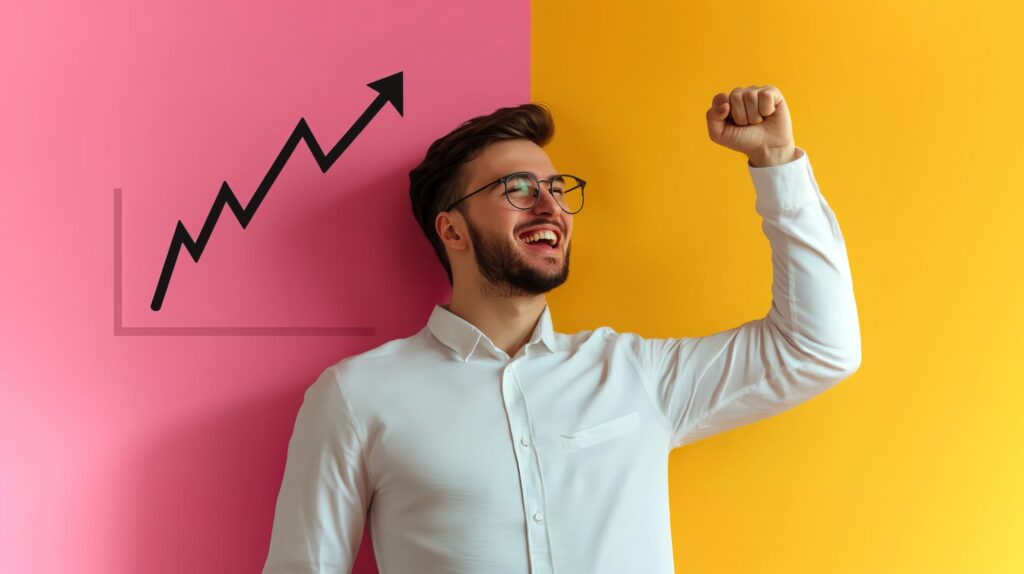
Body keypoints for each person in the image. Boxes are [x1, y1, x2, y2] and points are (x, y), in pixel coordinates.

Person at [261, 86, 862, 574]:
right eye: (518, 189)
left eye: (556, 188)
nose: (549, 205)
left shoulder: (636, 375)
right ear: (452, 231)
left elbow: (817, 348)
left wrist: (777, 165)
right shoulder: (355, 397)